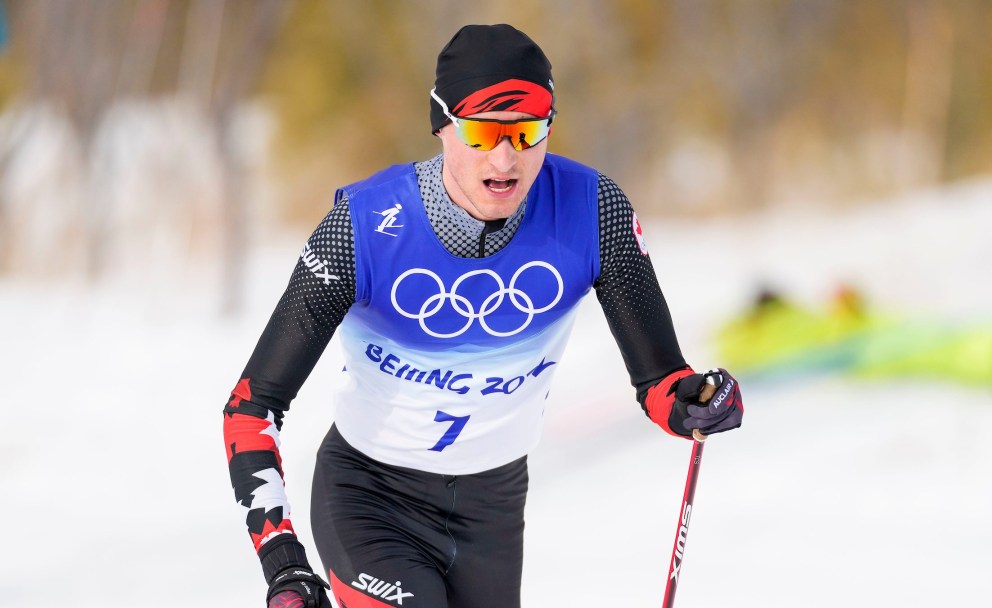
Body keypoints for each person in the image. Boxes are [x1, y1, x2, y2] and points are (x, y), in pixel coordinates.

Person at [223, 24, 744, 608]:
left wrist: (692, 402)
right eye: (482, 132)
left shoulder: (594, 212)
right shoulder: (364, 229)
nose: (506, 157)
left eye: (526, 132)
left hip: (492, 513)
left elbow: (661, 381)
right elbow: (250, 408)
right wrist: (284, 563)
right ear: (443, 126)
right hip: (370, 500)